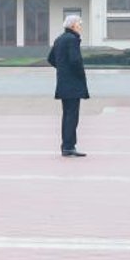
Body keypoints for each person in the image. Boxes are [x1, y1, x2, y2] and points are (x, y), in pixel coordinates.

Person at [48, 15, 90, 157]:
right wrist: (79, 74)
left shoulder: (60, 39)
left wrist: (62, 68)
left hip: (63, 82)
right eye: (79, 24)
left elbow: (51, 59)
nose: (80, 26)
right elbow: (75, 60)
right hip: (73, 83)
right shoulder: (72, 40)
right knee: (72, 116)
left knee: (67, 115)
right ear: (72, 26)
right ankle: (69, 146)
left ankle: (66, 146)